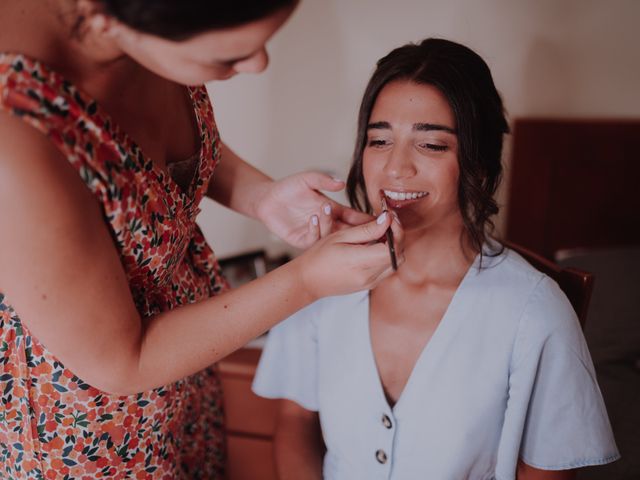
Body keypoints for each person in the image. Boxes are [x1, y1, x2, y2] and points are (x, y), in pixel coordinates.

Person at [0, 1, 404, 478]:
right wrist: (306, 281)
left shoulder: (141, 30)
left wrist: (261, 196)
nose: (260, 64)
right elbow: (121, 362)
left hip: (184, 369)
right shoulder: (15, 138)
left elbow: (142, 156)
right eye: (228, 58)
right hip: (91, 430)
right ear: (112, 20)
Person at [253, 38, 620, 479]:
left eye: (431, 145)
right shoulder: (318, 279)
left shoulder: (534, 314)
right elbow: (294, 423)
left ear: (478, 162)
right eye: (379, 139)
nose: (396, 168)